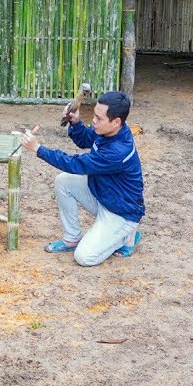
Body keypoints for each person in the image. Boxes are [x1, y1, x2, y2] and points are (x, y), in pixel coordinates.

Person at [19, 91, 144, 266]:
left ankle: (125, 235)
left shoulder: (117, 151)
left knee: (85, 257)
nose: (93, 121)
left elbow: (75, 164)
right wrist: (76, 123)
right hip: (104, 195)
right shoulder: (111, 130)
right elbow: (86, 139)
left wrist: (38, 148)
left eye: (99, 118)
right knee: (63, 181)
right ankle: (72, 239)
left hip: (121, 212)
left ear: (116, 122)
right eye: (94, 115)